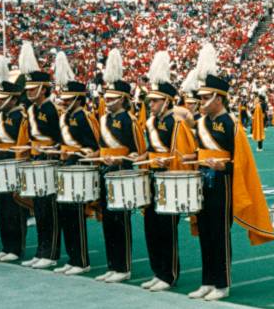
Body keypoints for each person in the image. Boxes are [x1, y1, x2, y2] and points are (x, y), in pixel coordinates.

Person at [187, 50, 274, 301]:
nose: (201, 101)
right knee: (204, 232)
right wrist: (193, 158)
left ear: (218, 98)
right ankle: (207, 280)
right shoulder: (202, 123)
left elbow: (242, 163)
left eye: (205, 97)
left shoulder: (230, 124)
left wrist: (221, 168)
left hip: (223, 184)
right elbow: (202, 150)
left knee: (219, 233)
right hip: (202, 181)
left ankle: (222, 283)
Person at [138, 50, 197, 292]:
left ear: (167, 102)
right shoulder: (151, 122)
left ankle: (169, 274)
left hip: (168, 181)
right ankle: (157, 271)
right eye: (150, 101)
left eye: (155, 101)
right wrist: (141, 157)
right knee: (151, 228)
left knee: (166, 229)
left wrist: (163, 162)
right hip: (152, 178)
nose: (150, 104)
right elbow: (152, 149)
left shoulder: (176, 122)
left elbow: (181, 155)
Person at [95, 49, 145, 283]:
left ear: (123, 99)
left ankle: (123, 267)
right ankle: (112, 265)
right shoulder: (103, 118)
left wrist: (120, 160)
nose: (107, 100)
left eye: (112, 97)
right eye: (107, 95)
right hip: (104, 172)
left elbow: (138, 152)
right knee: (108, 220)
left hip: (121, 174)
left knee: (120, 221)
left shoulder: (129, 120)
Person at [52, 50, 101, 276]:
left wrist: (74, 153)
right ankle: (73, 258)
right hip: (66, 169)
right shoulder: (67, 117)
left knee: (76, 216)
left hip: (78, 171)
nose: (64, 102)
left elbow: (93, 146)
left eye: (69, 98)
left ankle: (81, 260)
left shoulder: (83, 116)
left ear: (78, 99)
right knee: (66, 215)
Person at [20, 42, 63, 270]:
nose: (28, 92)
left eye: (32, 88)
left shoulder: (49, 108)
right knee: (38, 209)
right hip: (37, 159)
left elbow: (59, 137)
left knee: (49, 209)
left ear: (43, 89)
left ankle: (51, 253)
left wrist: (53, 150)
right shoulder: (33, 109)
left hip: (49, 161)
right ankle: (41, 250)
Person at [0, 55, 30, 263]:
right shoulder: (1, 116)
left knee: (15, 209)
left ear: (13, 99)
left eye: (4, 99)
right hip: (0, 166)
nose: (0, 103)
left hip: (13, 165)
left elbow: (22, 143)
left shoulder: (20, 116)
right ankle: (6, 246)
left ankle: (16, 248)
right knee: (3, 209)